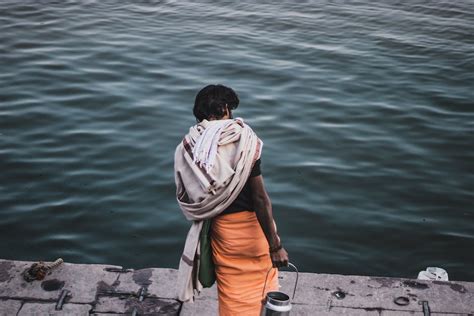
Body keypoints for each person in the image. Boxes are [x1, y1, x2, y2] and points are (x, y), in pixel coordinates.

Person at [174, 84, 289, 315]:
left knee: (232, 294)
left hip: (223, 233)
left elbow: (189, 194)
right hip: (254, 233)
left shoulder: (189, 146)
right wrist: (275, 246)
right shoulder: (242, 138)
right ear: (225, 108)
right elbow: (260, 198)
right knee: (263, 289)